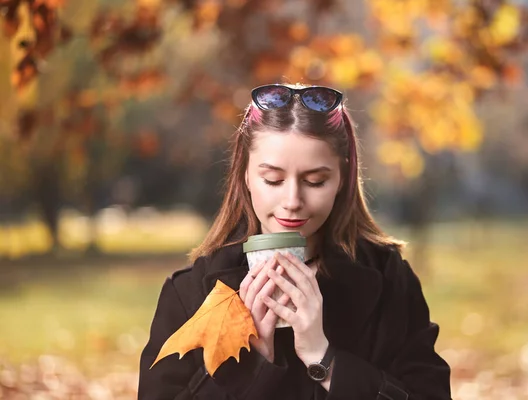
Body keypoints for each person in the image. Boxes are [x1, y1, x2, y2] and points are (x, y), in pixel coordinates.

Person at [138, 84, 452, 399]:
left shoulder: (389, 280)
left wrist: (324, 359)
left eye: (315, 181)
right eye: (273, 180)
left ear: (342, 176)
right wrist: (255, 366)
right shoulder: (191, 292)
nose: (292, 201)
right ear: (245, 174)